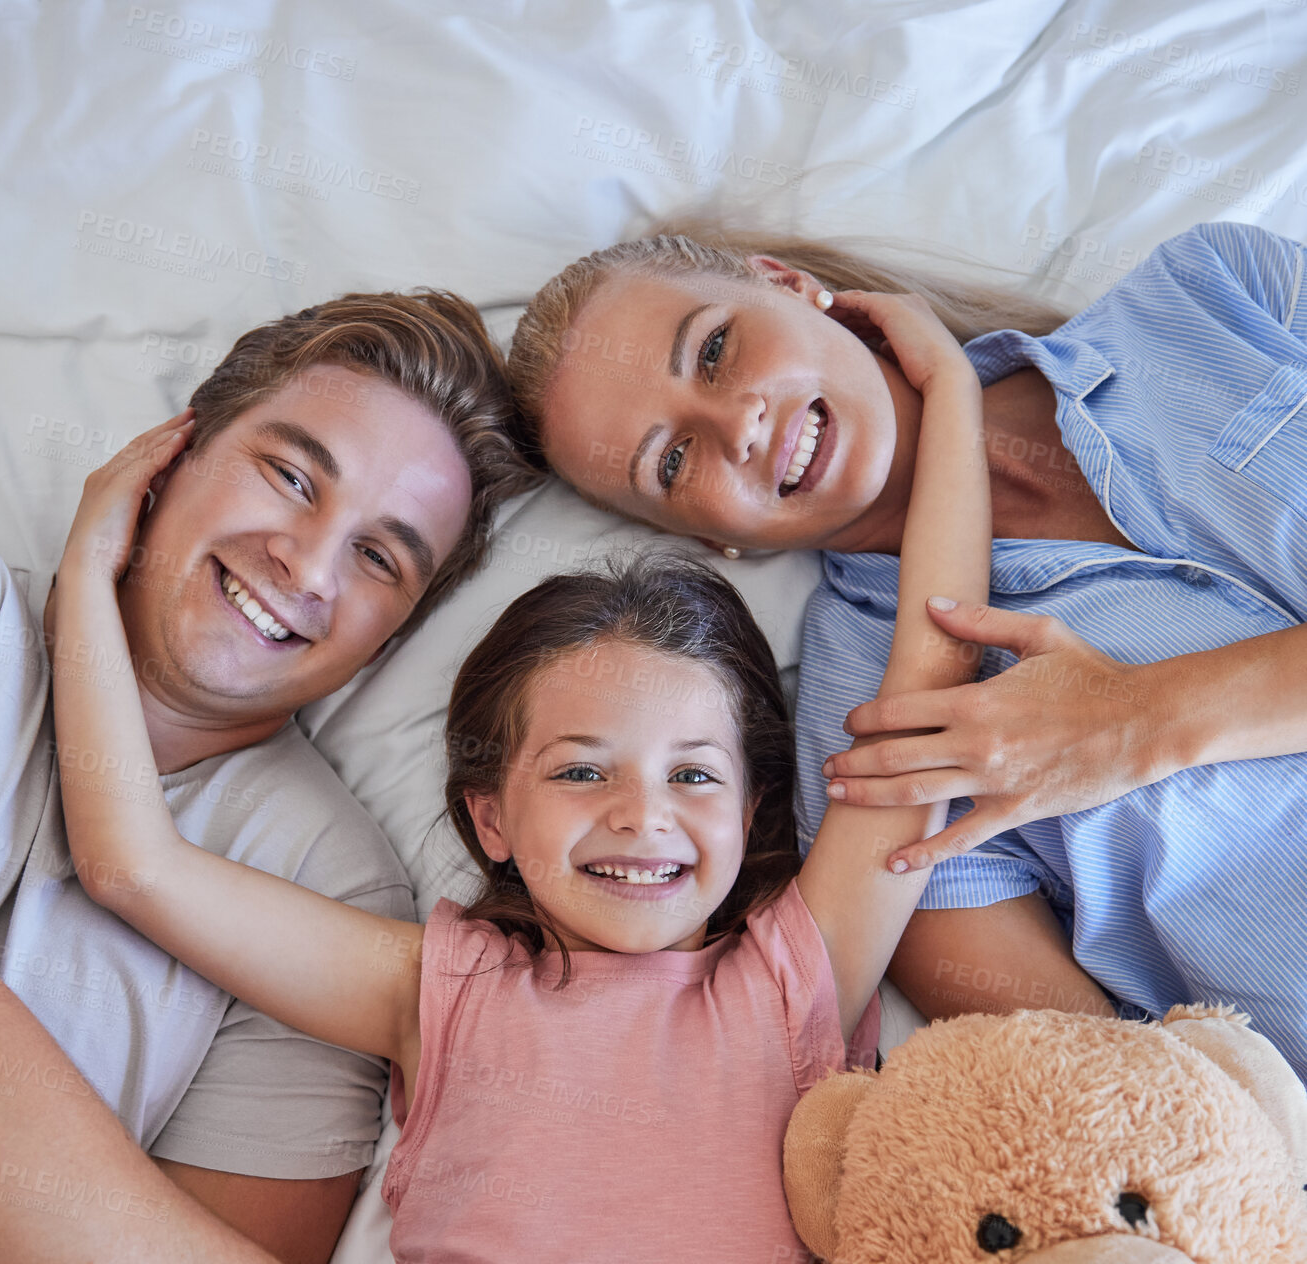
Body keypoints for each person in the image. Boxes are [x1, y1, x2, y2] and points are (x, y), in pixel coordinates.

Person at [42, 286, 991, 1261]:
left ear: (752, 815)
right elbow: (130, 865)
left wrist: (952, 391)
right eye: (581, 773)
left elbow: (934, 678)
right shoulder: (437, 992)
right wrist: (89, 574)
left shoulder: (803, 975)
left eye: (695, 778)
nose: (640, 815)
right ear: (490, 820)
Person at [0, 291, 539, 1264]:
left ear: (389, 637)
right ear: (170, 455)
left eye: (377, 557)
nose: (309, 565)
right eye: (289, 476)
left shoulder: (331, 886)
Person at [503, 219, 1307, 1079]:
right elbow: (1126, 1101)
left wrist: (1144, 721)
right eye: (671, 463)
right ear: (710, 541)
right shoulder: (868, 743)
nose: (736, 424)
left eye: (713, 351)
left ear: (784, 281)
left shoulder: (1216, 288)